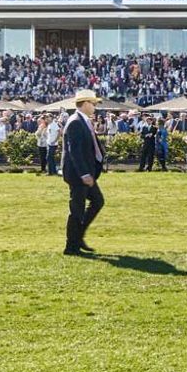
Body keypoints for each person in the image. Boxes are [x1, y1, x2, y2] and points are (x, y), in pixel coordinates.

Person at [61, 90, 105, 256]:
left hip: (85, 173)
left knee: (97, 201)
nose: (95, 107)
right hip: (79, 175)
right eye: (93, 104)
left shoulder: (82, 121)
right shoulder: (75, 122)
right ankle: (71, 246)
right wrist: (84, 174)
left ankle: (78, 238)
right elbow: (75, 152)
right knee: (77, 209)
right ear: (85, 103)